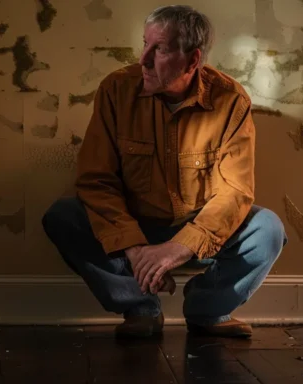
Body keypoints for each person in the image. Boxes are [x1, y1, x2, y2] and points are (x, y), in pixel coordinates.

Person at [41, 5, 287, 339]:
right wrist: (137, 250)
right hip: (134, 224)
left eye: (160, 49)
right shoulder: (117, 90)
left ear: (192, 59)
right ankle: (140, 307)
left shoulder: (230, 101)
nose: (143, 58)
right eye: (145, 44)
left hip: (199, 229)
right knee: (63, 216)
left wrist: (181, 246)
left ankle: (207, 310)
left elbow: (235, 192)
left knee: (267, 229)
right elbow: (96, 180)